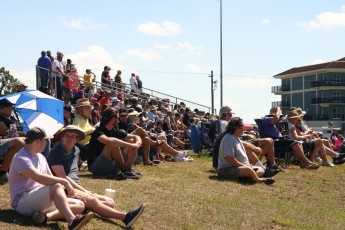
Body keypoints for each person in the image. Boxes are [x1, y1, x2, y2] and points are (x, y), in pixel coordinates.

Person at [47, 125, 146, 228]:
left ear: (77, 139)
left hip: (75, 187)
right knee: (94, 200)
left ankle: (83, 206)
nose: (69, 138)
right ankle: (126, 217)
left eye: (73, 136)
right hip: (64, 189)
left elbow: (73, 173)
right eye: (67, 135)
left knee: (109, 202)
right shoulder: (56, 152)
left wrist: (83, 191)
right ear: (62, 137)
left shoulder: (76, 150)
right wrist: (84, 191)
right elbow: (63, 178)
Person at [8, 127, 93, 229]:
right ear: (38, 141)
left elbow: (49, 178)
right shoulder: (21, 158)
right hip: (22, 202)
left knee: (79, 205)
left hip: (39, 199)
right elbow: (39, 178)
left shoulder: (41, 157)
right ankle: (72, 221)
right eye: (45, 140)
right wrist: (64, 181)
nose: (47, 143)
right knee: (56, 186)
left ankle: (44, 217)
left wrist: (67, 193)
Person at [88, 107, 142, 179]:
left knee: (132, 140)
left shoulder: (114, 130)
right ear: (113, 118)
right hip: (97, 166)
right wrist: (131, 145)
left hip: (111, 165)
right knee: (112, 145)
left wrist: (137, 144)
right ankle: (125, 170)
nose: (119, 120)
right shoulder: (98, 131)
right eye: (118, 117)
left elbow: (135, 137)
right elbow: (110, 141)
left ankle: (128, 170)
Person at [217, 117, 275, 185]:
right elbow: (229, 159)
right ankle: (257, 179)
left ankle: (249, 178)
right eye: (242, 126)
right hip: (226, 170)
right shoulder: (228, 138)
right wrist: (244, 165)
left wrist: (246, 165)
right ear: (236, 127)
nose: (244, 128)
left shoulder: (235, 137)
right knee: (249, 170)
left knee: (261, 169)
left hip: (239, 167)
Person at [73, 98, 95, 166]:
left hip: (89, 144)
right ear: (80, 110)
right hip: (83, 147)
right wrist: (91, 130)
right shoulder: (77, 119)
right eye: (87, 108)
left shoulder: (85, 119)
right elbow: (76, 131)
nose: (90, 110)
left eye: (89, 108)